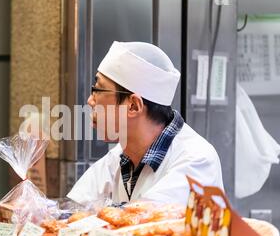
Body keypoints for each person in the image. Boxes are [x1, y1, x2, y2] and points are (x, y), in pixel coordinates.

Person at [67, 41, 223, 206]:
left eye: (98, 90)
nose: (90, 101)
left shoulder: (197, 160)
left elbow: (142, 221)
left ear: (133, 105)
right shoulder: (121, 155)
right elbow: (74, 209)